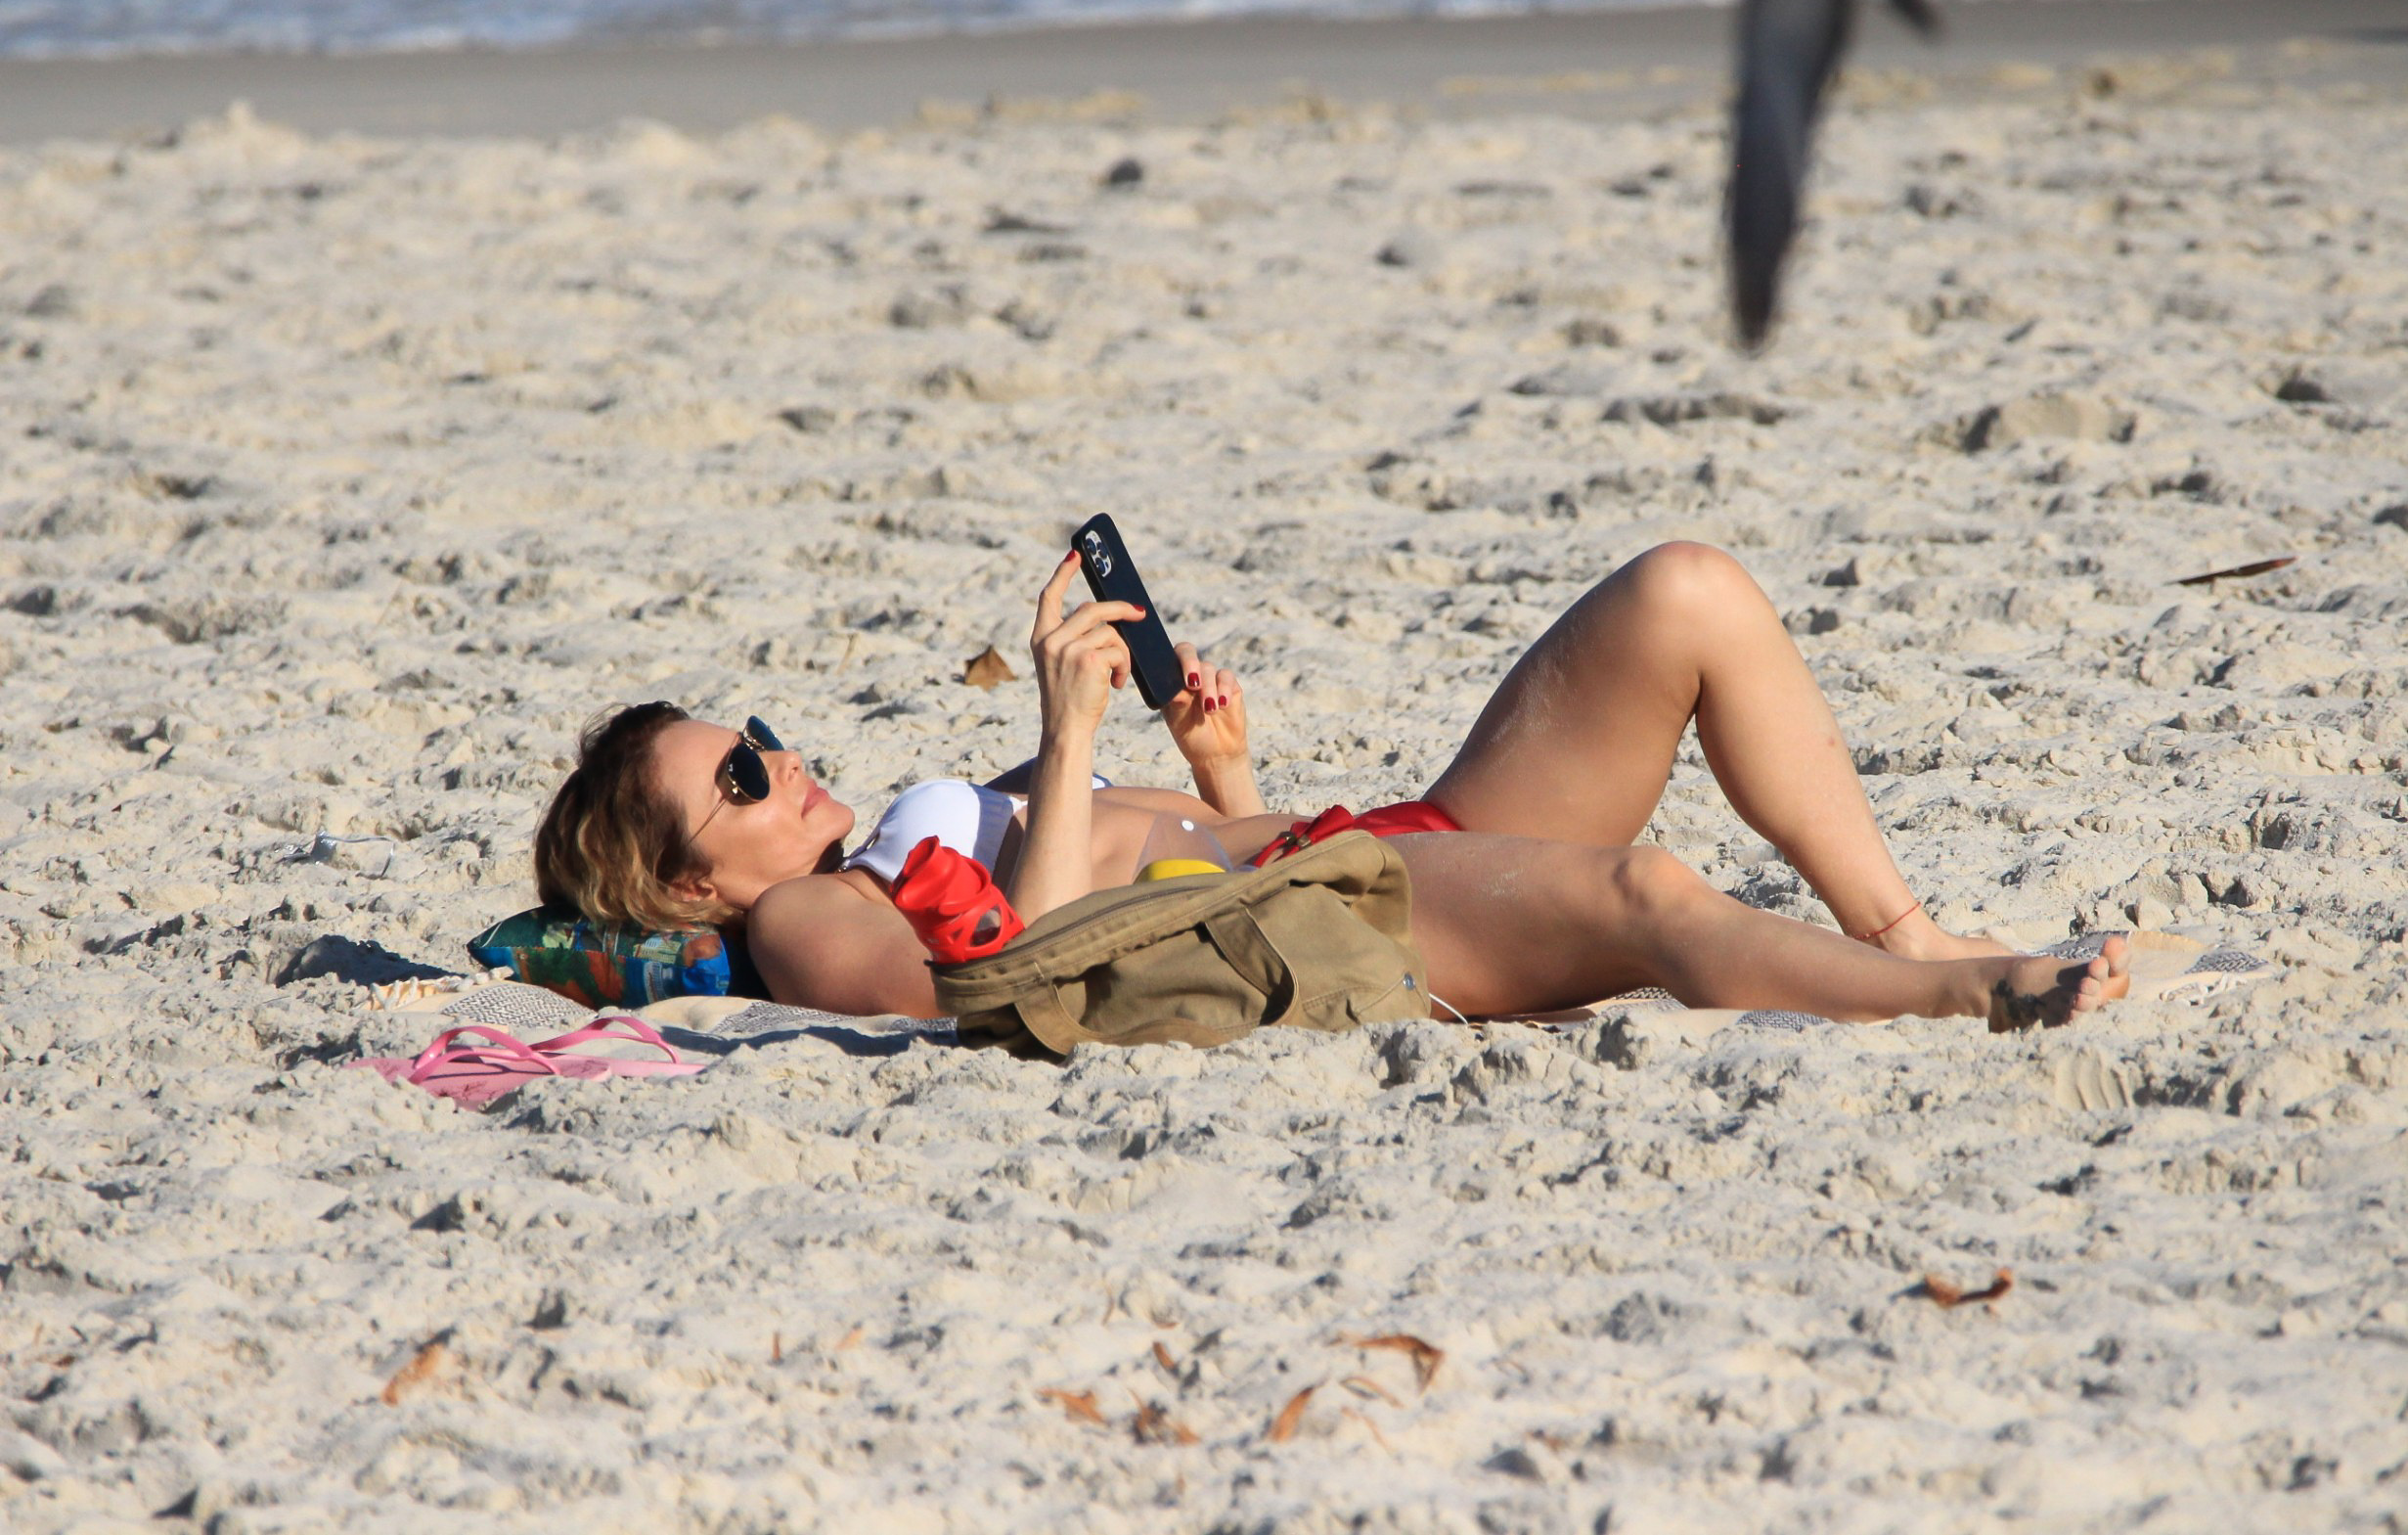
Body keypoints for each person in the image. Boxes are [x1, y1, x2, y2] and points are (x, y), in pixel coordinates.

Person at [535, 541, 2128, 1029]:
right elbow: (1010, 980)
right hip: (1333, 918)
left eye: (756, 732)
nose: (785, 759)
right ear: (691, 883)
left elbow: (1147, 847)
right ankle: (1968, 997)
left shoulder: (891, 823)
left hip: (1352, 846)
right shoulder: (809, 927)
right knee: (1649, 899)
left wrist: (1218, 767)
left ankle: (1905, 930)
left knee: (1685, 594)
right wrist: (1074, 736)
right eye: (743, 775)